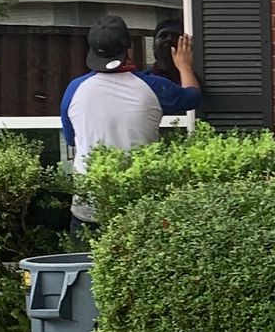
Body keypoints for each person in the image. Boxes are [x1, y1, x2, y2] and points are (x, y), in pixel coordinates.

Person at [60, 12, 200, 229]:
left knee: (86, 263)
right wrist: (184, 66)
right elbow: (192, 96)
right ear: (129, 49)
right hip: (139, 206)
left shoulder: (74, 90)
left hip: (88, 208)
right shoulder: (153, 87)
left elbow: (71, 139)